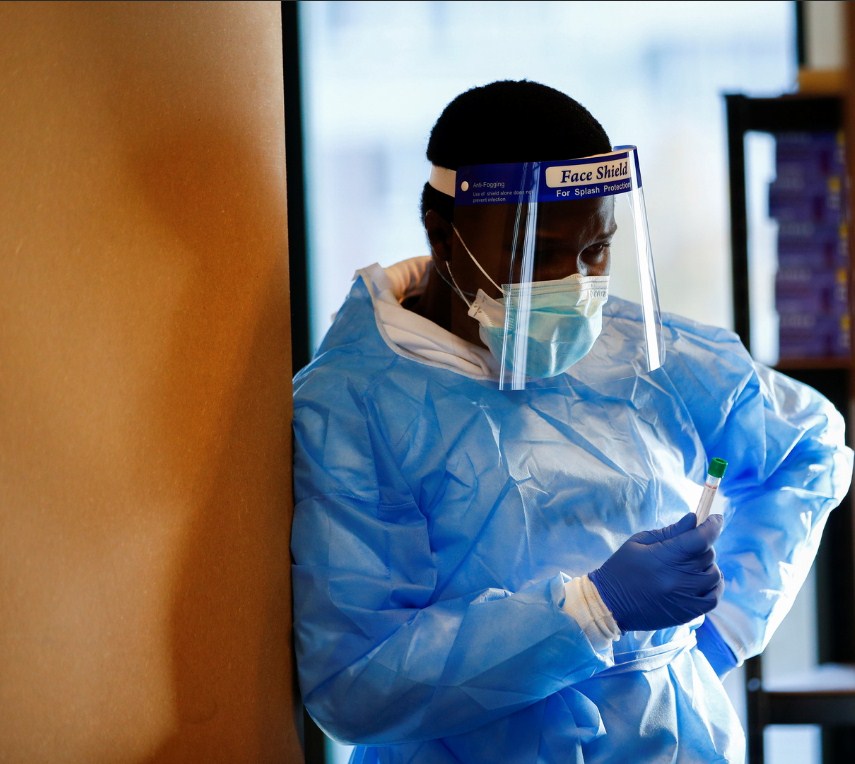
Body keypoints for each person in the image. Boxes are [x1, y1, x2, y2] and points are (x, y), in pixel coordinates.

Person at [290, 80, 854, 763]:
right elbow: (356, 682)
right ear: (443, 235)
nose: (574, 284)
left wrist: (722, 630)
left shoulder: (640, 351)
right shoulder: (355, 404)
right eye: (539, 253)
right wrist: (591, 610)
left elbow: (810, 446)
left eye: (595, 252)